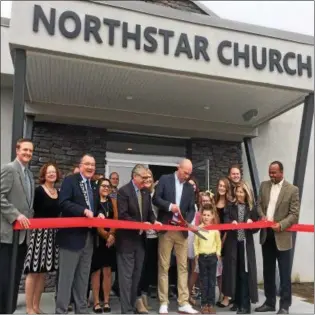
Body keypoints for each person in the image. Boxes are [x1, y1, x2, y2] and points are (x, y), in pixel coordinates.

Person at [55, 154, 104, 314]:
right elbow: (63, 203)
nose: (90, 167)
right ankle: (61, 311)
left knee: (83, 279)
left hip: (88, 239)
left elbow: (95, 207)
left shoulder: (94, 185)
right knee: (66, 279)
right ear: (80, 165)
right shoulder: (71, 181)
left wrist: (100, 213)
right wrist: (82, 211)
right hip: (71, 238)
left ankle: (81, 311)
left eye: (93, 165)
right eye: (87, 164)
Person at [152, 158, 198, 314]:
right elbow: (155, 199)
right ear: (179, 168)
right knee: (164, 266)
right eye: (185, 172)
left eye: (189, 174)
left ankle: (183, 302)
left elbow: (192, 208)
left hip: (182, 230)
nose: (187, 176)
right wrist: (170, 206)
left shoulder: (189, 187)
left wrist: (188, 220)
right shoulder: (165, 179)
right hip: (166, 229)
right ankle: (163, 302)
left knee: (183, 267)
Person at [255, 161, 300, 315]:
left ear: (282, 172)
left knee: (284, 272)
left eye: (274, 172)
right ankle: (269, 302)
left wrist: (280, 225)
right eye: (270, 172)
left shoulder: (292, 190)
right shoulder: (264, 186)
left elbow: (294, 214)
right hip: (266, 235)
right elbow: (258, 204)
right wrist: (262, 217)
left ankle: (284, 306)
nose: (271, 175)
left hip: (283, 237)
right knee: (268, 271)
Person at [116, 164, 161, 314]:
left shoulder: (146, 193)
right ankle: (126, 309)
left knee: (137, 275)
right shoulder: (123, 192)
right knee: (126, 277)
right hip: (127, 241)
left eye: (147, 177)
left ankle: (133, 305)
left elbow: (149, 213)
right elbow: (123, 216)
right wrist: (140, 224)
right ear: (135, 176)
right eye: (143, 177)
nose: (146, 180)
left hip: (141, 242)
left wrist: (155, 222)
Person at [0, 138, 35, 314]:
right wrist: (16, 215)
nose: (28, 153)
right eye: (25, 150)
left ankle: (10, 310)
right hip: (7, 235)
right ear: (17, 150)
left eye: (30, 151)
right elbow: (1, 197)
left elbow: (28, 205)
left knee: (14, 277)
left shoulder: (29, 174)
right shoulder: (9, 169)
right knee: (4, 278)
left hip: (22, 237)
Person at [24, 162, 62, 314]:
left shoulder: (58, 192)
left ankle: (36, 306)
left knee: (42, 272)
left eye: (54, 172)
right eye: (49, 172)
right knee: (33, 271)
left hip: (52, 235)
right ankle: (28, 308)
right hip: (39, 234)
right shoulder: (39, 191)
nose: (52, 174)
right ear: (44, 175)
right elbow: (30, 210)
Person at [223, 181, 259, 314]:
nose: (239, 194)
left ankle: (245, 305)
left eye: (242, 191)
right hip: (233, 244)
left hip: (245, 244)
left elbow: (257, 227)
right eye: (237, 191)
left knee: (244, 274)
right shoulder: (231, 206)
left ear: (246, 193)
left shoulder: (251, 208)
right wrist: (230, 222)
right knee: (235, 273)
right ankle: (237, 302)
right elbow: (225, 219)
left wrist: (252, 223)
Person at [90, 178, 118, 313]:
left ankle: (106, 301)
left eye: (108, 186)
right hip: (97, 240)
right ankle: (96, 302)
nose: (106, 188)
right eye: (103, 186)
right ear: (98, 187)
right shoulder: (93, 202)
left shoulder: (112, 202)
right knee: (96, 272)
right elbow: (94, 222)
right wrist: (106, 235)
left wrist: (112, 234)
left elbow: (116, 219)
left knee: (107, 272)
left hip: (110, 241)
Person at [194, 204, 221, 314]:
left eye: (208, 215)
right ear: (201, 216)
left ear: (213, 216)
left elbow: (218, 243)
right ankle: (204, 304)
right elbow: (195, 243)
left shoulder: (215, 230)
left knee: (211, 281)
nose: (206, 217)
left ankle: (211, 304)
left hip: (212, 257)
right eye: (204, 215)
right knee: (203, 282)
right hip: (202, 258)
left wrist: (218, 254)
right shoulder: (199, 229)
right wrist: (196, 255)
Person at [214, 178, 233, 308]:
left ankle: (227, 297)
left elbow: (228, 226)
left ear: (227, 188)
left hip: (225, 239)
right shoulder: (215, 201)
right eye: (219, 185)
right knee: (218, 270)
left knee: (226, 270)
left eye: (223, 186)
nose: (221, 188)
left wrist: (222, 242)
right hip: (214, 238)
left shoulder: (230, 204)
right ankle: (221, 294)